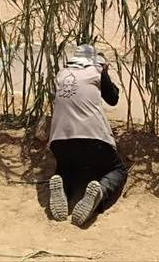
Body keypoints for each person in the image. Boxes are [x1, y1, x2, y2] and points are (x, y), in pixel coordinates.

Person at [48, 45, 127, 226]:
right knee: (118, 170)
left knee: (69, 167)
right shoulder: (96, 71)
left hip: (59, 142)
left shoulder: (61, 74)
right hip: (93, 139)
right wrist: (105, 72)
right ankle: (100, 191)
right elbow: (113, 99)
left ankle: (61, 181)